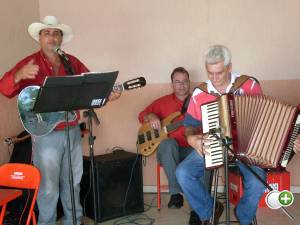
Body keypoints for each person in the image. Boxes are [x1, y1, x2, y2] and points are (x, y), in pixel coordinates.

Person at [0, 16, 121, 225]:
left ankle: (73, 221)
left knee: (73, 182)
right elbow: (4, 88)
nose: (52, 37)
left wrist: (108, 93)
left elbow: (90, 86)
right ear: (39, 37)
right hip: (45, 134)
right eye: (47, 33)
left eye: (56, 33)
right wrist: (19, 74)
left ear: (61, 38)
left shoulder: (70, 61)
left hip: (72, 130)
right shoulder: (30, 62)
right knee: (48, 187)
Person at [176, 45, 266, 225]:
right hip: (213, 146)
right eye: (210, 73)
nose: (214, 78)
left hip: (248, 148)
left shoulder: (249, 85)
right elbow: (190, 126)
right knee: (183, 173)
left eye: (219, 73)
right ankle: (210, 209)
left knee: (258, 181)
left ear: (229, 67)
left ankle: (244, 215)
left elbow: (264, 117)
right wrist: (192, 138)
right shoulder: (200, 93)